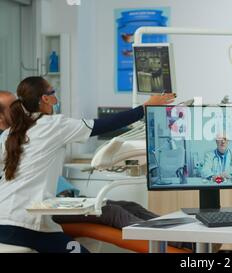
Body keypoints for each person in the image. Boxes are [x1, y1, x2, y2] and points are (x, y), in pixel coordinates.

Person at [0, 77, 175, 253]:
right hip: (26, 226)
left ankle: (176, 233)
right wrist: (144, 108)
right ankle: (180, 241)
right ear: (45, 99)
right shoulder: (53, 125)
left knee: (125, 206)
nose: (56, 98)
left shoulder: (10, 133)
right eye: (53, 92)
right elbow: (106, 124)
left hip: (6, 220)